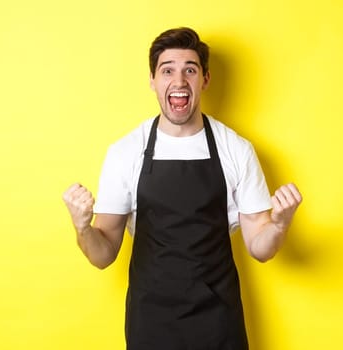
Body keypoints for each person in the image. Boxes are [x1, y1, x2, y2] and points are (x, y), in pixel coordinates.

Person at [61, 27, 302, 349]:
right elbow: (103, 255)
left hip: (218, 318)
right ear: (152, 81)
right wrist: (82, 228)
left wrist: (281, 224)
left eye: (190, 69)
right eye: (167, 70)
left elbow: (260, 248)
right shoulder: (125, 152)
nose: (179, 81)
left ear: (205, 79)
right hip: (151, 320)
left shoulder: (236, 149)